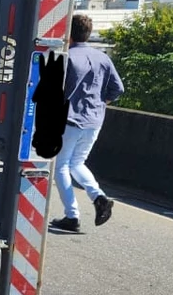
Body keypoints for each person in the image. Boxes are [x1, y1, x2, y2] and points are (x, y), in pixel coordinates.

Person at [50, 14, 124, 233]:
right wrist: (100, 103)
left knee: (62, 166)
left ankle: (72, 216)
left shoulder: (67, 57)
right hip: (94, 121)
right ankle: (99, 197)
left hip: (70, 119)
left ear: (68, 33)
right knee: (77, 163)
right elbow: (117, 89)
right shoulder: (102, 57)